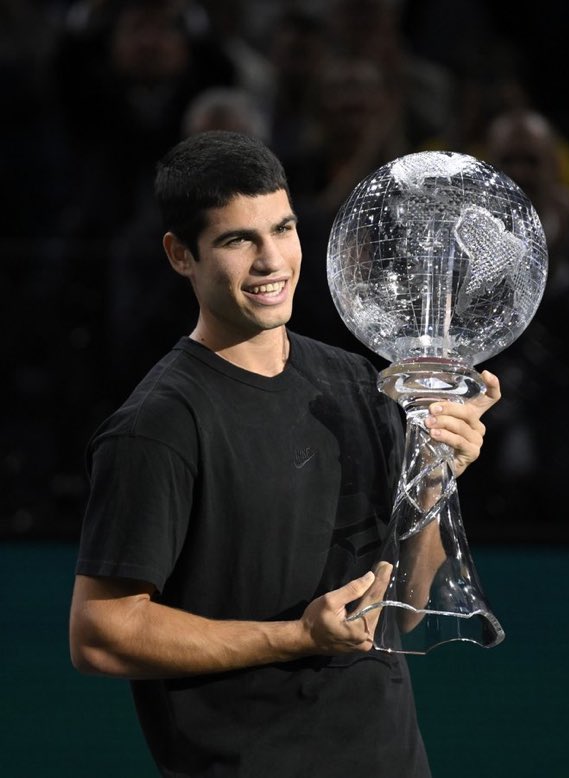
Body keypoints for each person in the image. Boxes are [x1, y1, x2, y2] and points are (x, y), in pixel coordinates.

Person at [69, 130, 501, 777]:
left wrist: (437, 475)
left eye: (284, 228)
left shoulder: (359, 382)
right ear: (180, 255)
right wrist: (295, 637)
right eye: (238, 239)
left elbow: (404, 608)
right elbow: (99, 635)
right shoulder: (159, 425)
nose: (272, 260)